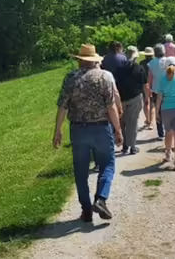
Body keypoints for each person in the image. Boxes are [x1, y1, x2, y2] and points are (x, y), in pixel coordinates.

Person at [53, 44, 122, 223]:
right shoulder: (104, 77)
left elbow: (62, 106)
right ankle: (100, 199)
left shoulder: (71, 78)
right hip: (101, 127)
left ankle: (86, 210)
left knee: (81, 171)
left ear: (80, 61)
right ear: (94, 61)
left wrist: (57, 131)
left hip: (78, 129)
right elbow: (111, 106)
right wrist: (118, 130)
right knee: (107, 164)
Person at [115, 46, 147, 155]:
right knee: (132, 122)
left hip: (122, 98)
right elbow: (144, 85)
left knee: (122, 122)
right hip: (135, 98)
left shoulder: (119, 69)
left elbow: (116, 85)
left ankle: (125, 145)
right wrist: (147, 98)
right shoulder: (139, 68)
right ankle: (132, 146)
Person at [147, 44, 166, 140]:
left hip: (155, 89)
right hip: (167, 89)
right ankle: (168, 129)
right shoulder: (167, 61)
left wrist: (149, 89)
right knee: (167, 109)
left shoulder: (151, 63)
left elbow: (150, 78)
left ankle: (160, 133)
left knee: (158, 111)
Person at [140, 47, 155, 129]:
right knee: (152, 104)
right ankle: (152, 122)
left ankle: (147, 120)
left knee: (146, 103)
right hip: (153, 84)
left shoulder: (141, 63)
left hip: (143, 85)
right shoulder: (154, 63)